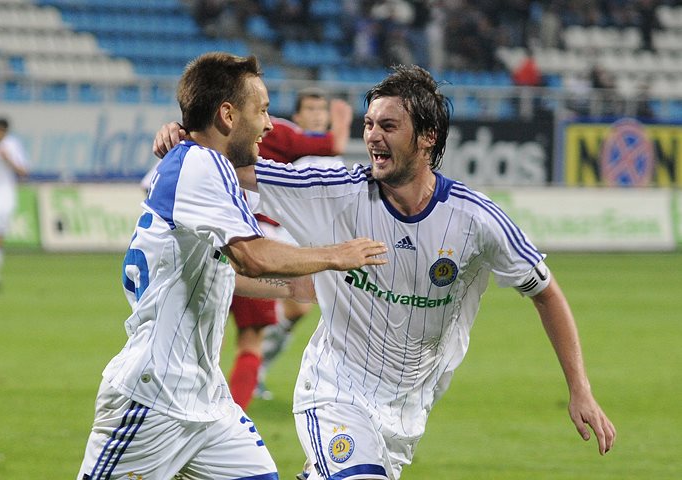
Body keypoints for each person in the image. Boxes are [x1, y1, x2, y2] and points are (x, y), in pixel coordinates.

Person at [154, 64, 616, 480]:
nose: (373, 136)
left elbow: (544, 291)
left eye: (389, 126)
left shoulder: (476, 220)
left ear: (428, 136)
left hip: (407, 411)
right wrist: (186, 141)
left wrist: (580, 389)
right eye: (369, 124)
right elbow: (230, 169)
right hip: (334, 393)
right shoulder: (334, 191)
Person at [77, 52, 388, 480]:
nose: (269, 124)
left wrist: (298, 285)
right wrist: (337, 255)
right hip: (153, 397)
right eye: (261, 111)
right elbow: (252, 256)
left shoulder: (204, 164)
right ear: (227, 114)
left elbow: (221, 270)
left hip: (207, 399)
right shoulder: (200, 165)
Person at [230, 87, 352, 408]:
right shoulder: (289, 141)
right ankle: (248, 379)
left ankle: (256, 369)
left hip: (292, 238)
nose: (317, 115)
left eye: (321, 110)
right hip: (265, 236)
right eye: (310, 109)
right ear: (298, 115)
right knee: (281, 310)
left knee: (297, 306)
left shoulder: (330, 161)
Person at [0, 116, 29, 292]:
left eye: (3, 131)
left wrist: (7, 158)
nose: (0, 133)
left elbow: (23, 171)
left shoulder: (12, 145)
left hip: (6, 196)